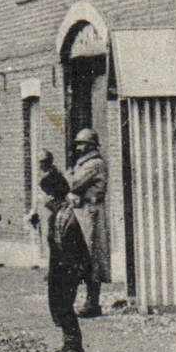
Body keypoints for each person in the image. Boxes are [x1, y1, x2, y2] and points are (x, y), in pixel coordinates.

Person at [34, 156, 89, 352]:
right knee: (58, 305)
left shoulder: (65, 217)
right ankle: (68, 344)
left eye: (45, 195)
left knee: (64, 305)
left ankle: (74, 348)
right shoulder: (57, 215)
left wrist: (69, 271)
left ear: (52, 195)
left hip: (68, 269)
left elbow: (69, 249)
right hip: (60, 268)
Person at [66, 129, 111, 316]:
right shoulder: (84, 163)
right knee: (83, 255)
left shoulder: (94, 164)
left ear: (91, 145)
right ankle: (88, 301)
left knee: (91, 256)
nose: (78, 147)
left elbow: (73, 183)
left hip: (91, 212)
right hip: (83, 211)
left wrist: (68, 176)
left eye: (82, 144)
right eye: (77, 143)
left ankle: (93, 303)